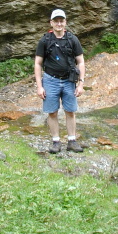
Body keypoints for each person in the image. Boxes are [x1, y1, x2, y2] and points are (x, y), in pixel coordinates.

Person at [34, 9, 85, 154]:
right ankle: (56, 142)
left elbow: (80, 62)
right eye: (56, 21)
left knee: (70, 111)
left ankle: (72, 141)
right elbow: (38, 63)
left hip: (69, 80)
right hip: (50, 80)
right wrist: (39, 86)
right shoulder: (45, 41)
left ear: (65, 22)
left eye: (61, 21)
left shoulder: (72, 39)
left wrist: (81, 83)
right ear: (51, 23)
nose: (59, 23)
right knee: (52, 112)